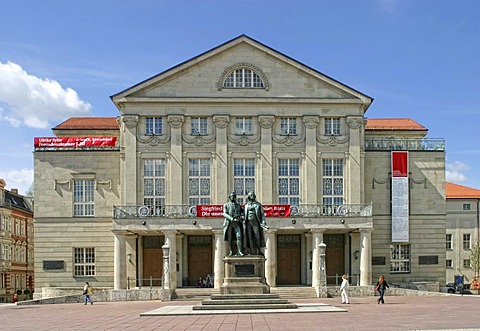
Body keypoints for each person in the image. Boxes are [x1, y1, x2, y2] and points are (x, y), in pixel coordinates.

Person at [243, 191, 268, 255]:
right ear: (248, 196)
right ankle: (251, 251)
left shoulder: (258, 204)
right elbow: (244, 214)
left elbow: (262, 214)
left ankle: (259, 250)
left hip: (255, 222)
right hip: (248, 222)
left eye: (253, 195)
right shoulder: (246, 205)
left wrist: (263, 222)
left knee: (257, 236)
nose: (253, 196)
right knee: (249, 237)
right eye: (251, 195)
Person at [223, 192, 245, 256]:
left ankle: (240, 251)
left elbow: (243, 213)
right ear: (229, 197)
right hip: (229, 223)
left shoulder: (238, 205)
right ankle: (231, 252)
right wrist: (231, 219)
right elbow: (224, 213)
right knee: (230, 238)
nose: (233, 197)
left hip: (237, 223)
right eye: (231, 196)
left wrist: (241, 218)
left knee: (239, 236)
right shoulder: (226, 205)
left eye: (234, 196)